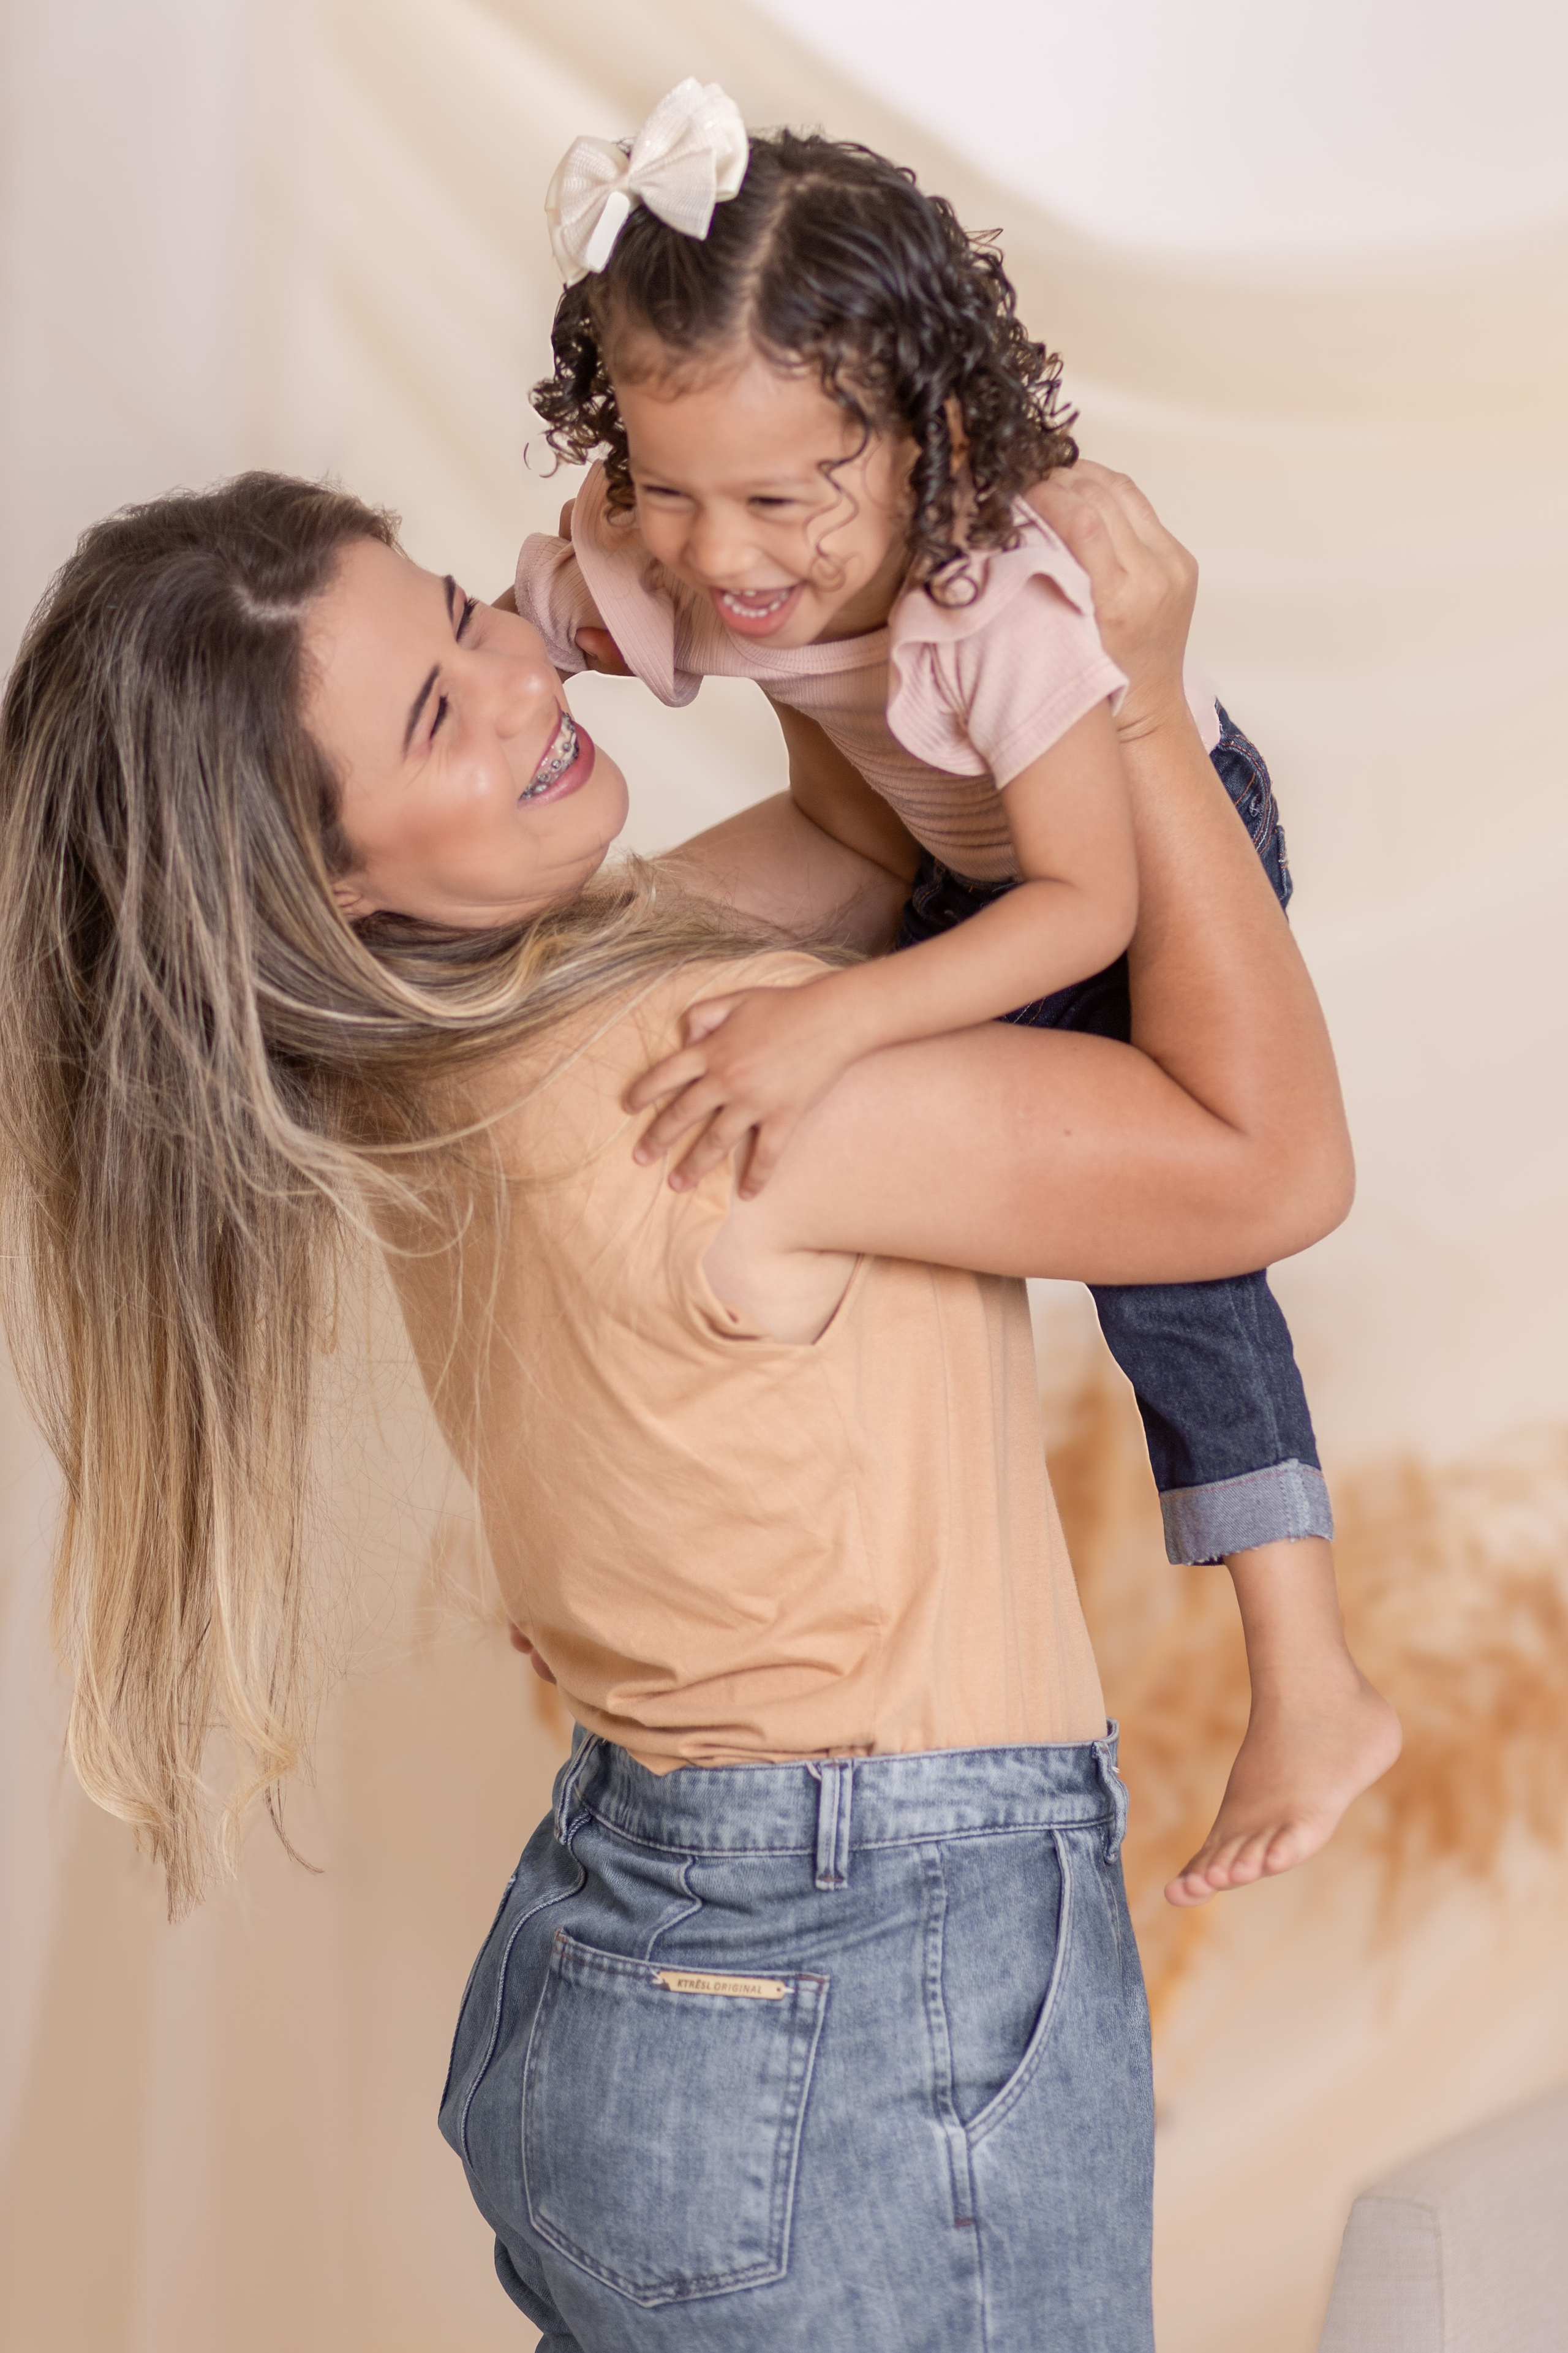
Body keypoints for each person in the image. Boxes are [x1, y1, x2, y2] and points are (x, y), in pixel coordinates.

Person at [0, 459, 1382, 2351]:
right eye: (433, 712)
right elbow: (1269, 1159)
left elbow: (868, 841)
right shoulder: (701, 1090)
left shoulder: (462, 1041)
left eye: (463, 613)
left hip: (638, 1967)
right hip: (867, 1988)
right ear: (325, 883)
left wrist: (731, 568)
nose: (517, 680)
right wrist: (1124, 683)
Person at [515, 88, 1362, 1901]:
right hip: (935, 868)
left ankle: (1312, 1673)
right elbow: (554, 642)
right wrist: (524, 652)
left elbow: (1082, 906)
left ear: (928, 438)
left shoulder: (1001, 608)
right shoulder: (679, 540)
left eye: (783, 499)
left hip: (1120, 882)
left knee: (1178, 1261)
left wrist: (844, 1015)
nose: (728, 559)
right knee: (642, 1044)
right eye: (672, 488)